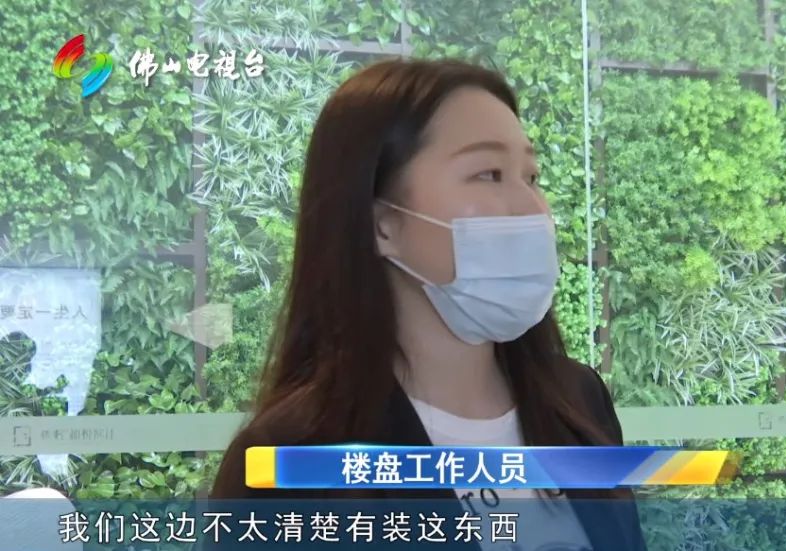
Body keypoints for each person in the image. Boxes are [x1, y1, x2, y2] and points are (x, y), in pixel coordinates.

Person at [210, 58, 646, 551]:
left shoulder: (579, 401)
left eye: (531, 176)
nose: (531, 208)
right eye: (488, 174)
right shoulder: (289, 460)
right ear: (382, 224)